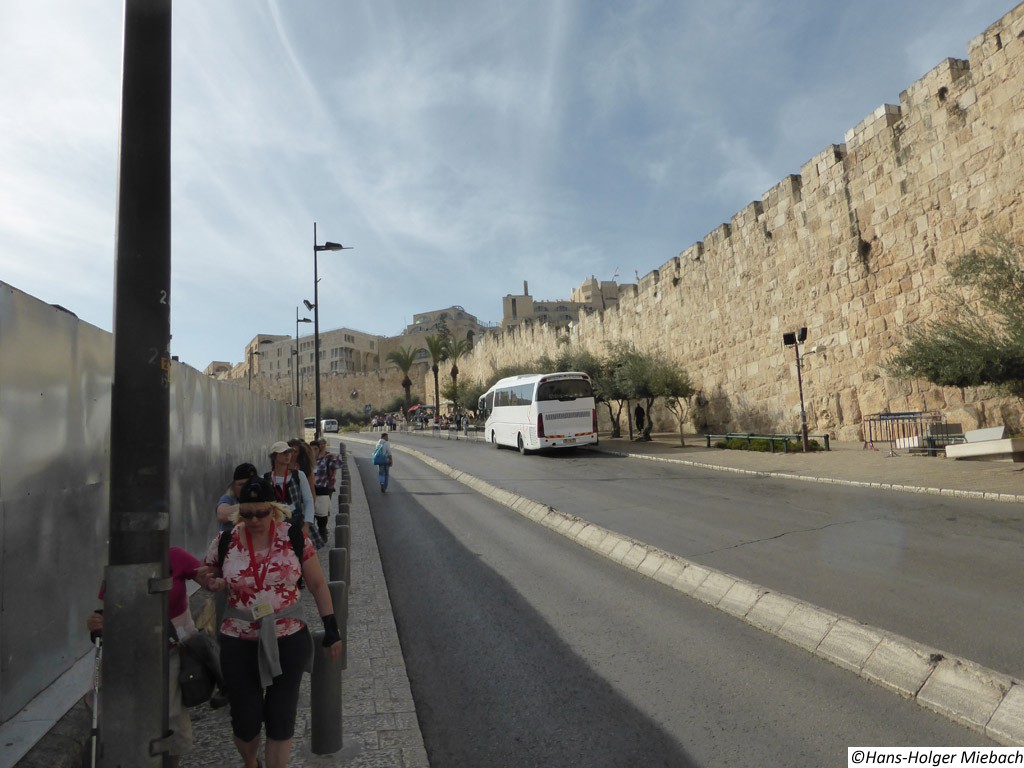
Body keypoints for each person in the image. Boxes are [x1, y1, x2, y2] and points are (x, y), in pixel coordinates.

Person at [203, 477, 343, 768]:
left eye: (261, 513)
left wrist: (331, 629)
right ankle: (251, 762)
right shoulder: (226, 541)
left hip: (288, 637)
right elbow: (207, 572)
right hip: (239, 641)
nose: (254, 520)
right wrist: (210, 581)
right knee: (246, 721)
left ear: (274, 510)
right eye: (247, 513)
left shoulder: (292, 537)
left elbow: (317, 584)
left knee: (281, 718)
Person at [87, 548, 223, 768]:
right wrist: (97, 622)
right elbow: (110, 610)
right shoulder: (119, 567)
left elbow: (205, 577)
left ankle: (171, 762)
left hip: (173, 649)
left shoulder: (175, 556)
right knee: (131, 718)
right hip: (134, 653)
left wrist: (211, 580)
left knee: (172, 716)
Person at [265, 441, 314, 538]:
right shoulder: (265, 479)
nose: (287, 455)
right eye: (283, 453)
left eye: (289, 452)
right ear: (274, 456)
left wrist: (307, 524)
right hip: (275, 526)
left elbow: (308, 501)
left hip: (297, 523)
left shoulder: (299, 475)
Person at [313, 437, 342, 540]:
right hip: (311, 489)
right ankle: (315, 531)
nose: (322, 446)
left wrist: (334, 457)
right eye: (320, 444)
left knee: (323, 511)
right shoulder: (308, 459)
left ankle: (322, 530)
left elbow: (338, 465)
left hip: (325, 489)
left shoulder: (327, 457)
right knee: (312, 511)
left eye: (323, 444)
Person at [218, 463, 259, 533]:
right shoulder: (229, 498)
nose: (245, 488)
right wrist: (251, 506)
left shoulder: (262, 498)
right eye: (241, 485)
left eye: (249, 484)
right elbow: (222, 515)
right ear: (233, 486)